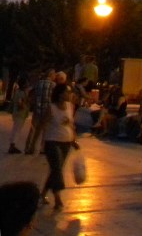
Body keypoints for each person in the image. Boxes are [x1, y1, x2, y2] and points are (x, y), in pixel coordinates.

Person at [41, 83, 77, 212]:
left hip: (66, 141)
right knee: (56, 168)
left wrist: (74, 138)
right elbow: (44, 124)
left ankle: (43, 193)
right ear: (60, 93)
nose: (69, 94)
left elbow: (71, 124)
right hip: (52, 140)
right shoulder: (51, 108)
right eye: (67, 92)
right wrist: (42, 141)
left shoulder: (70, 106)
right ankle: (58, 198)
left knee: (56, 170)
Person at [25, 69, 56, 155]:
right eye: (54, 75)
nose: (55, 77)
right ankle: (42, 149)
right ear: (51, 75)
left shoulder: (38, 83)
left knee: (34, 129)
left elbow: (29, 91)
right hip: (47, 110)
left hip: (37, 109)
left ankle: (29, 148)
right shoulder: (53, 85)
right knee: (45, 130)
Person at [8, 74, 30, 154]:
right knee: (17, 130)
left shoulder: (17, 91)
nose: (28, 84)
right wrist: (25, 105)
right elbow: (20, 103)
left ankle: (12, 145)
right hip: (20, 114)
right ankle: (12, 146)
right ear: (24, 84)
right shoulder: (21, 93)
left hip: (17, 113)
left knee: (15, 129)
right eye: (27, 83)